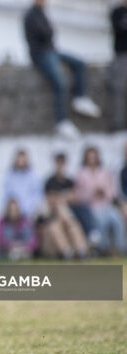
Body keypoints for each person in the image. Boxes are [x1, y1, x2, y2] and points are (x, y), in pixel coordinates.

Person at [23, 0, 100, 138]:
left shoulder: (42, 14)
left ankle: (79, 97)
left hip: (51, 51)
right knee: (60, 82)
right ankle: (61, 121)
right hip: (41, 54)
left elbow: (49, 33)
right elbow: (45, 33)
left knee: (79, 63)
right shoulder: (31, 15)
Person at [75, 147, 126, 255]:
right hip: (91, 207)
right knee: (100, 222)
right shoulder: (81, 174)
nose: (92, 160)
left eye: (94, 157)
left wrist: (104, 193)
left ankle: (121, 248)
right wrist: (92, 194)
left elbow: (112, 191)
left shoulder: (104, 172)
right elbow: (79, 195)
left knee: (117, 219)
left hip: (106, 205)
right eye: (90, 157)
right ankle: (102, 249)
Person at [45, 153, 99, 247]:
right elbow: (51, 199)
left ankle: (89, 239)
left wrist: (60, 197)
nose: (60, 166)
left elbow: (75, 196)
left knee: (82, 209)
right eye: (59, 163)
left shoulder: (69, 181)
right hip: (57, 212)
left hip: (70, 210)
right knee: (63, 210)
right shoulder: (50, 181)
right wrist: (65, 197)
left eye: (62, 163)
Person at [3, 150, 43, 217]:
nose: (21, 162)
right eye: (19, 159)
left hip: (30, 214)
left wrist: (28, 210)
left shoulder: (34, 176)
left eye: (23, 160)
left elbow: (37, 197)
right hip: (13, 214)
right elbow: (6, 196)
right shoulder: (9, 177)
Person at [110, 0, 127, 133]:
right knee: (119, 88)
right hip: (122, 55)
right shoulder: (117, 12)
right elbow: (118, 30)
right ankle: (118, 123)